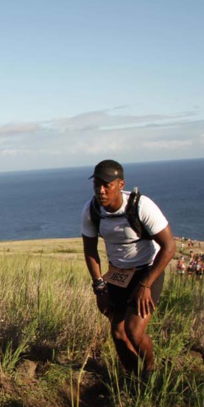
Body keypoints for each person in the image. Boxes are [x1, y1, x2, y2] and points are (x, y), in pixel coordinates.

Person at [81, 160, 176, 376]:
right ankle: (135, 378)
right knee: (117, 333)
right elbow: (90, 251)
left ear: (121, 184)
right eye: (97, 184)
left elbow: (169, 247)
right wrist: (99, 286)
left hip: (147, 270)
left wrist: (145, 285)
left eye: (107, 185)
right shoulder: (92, 210)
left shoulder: (141, 206)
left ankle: (151, 373)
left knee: (134, 330)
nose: (101, 190)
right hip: (118, 273)